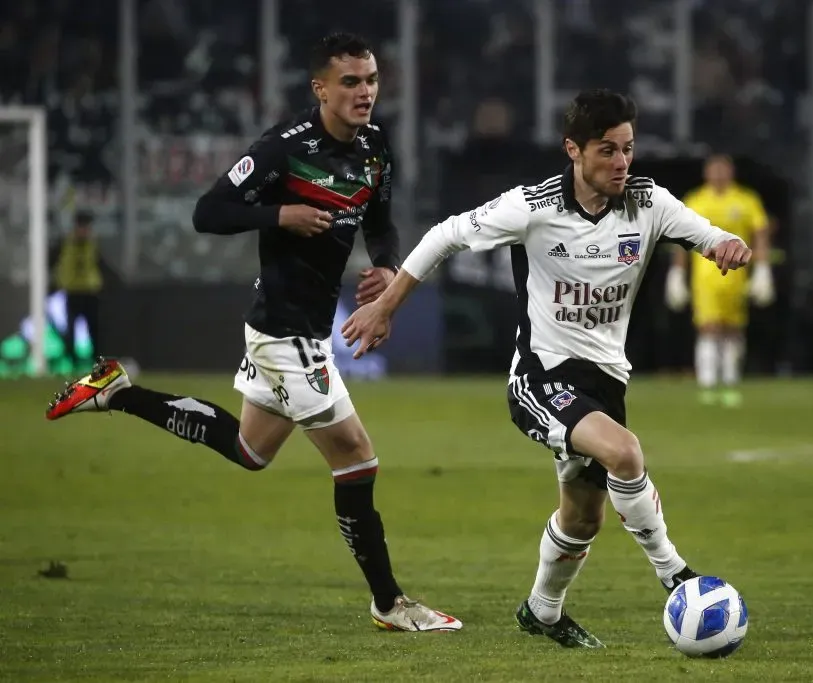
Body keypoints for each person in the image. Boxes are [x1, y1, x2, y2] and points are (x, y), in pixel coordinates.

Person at [44, 32, 461, 633]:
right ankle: (390, 603)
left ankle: (117, 392)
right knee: (357, 458)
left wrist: (388, 265)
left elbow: (380, 221)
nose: (365, 91)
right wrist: (279, 214)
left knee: (250, 451)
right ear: (321, 89)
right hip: (284, 332)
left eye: (371, 80)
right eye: (350, 81)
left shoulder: (374, 146)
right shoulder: (283, 149)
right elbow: (208, 212)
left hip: (304, 330)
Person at [341, 89, 751, 648]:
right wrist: (386, 307)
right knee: (625, 453)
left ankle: (542, 611)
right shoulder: (533, 208)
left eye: (628, 149)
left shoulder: (648, 203)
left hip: (606, 381)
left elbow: (709, 235)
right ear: (573, 150)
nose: (622, 162)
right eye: (607, 150)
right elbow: (443, 236)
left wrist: (728, 245)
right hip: (542, 377)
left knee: (582, 519)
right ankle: (675, 574)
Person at [663, 154, 773, 407]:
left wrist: (763, 269)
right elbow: (680, 237)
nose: (719, 174)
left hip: (736, 274)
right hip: (705, 276)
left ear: (731, 172)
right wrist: (677, 273)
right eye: (715, 169)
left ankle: (730, 382)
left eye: (723, 169)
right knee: (709, 327)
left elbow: (760, 233)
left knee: (733, 328)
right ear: (707, 173)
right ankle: (708, 383)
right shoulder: (696, 200)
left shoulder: (746, 200)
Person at [49, 211, 113, 364]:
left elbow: (102, 266)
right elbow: (54, 264)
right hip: (72, 292)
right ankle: (72, 360)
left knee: (94, 329)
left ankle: (97, 361)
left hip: (90, 292)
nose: (84, 231)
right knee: (70, 329)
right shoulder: (65, 244)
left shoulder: (94, 245)